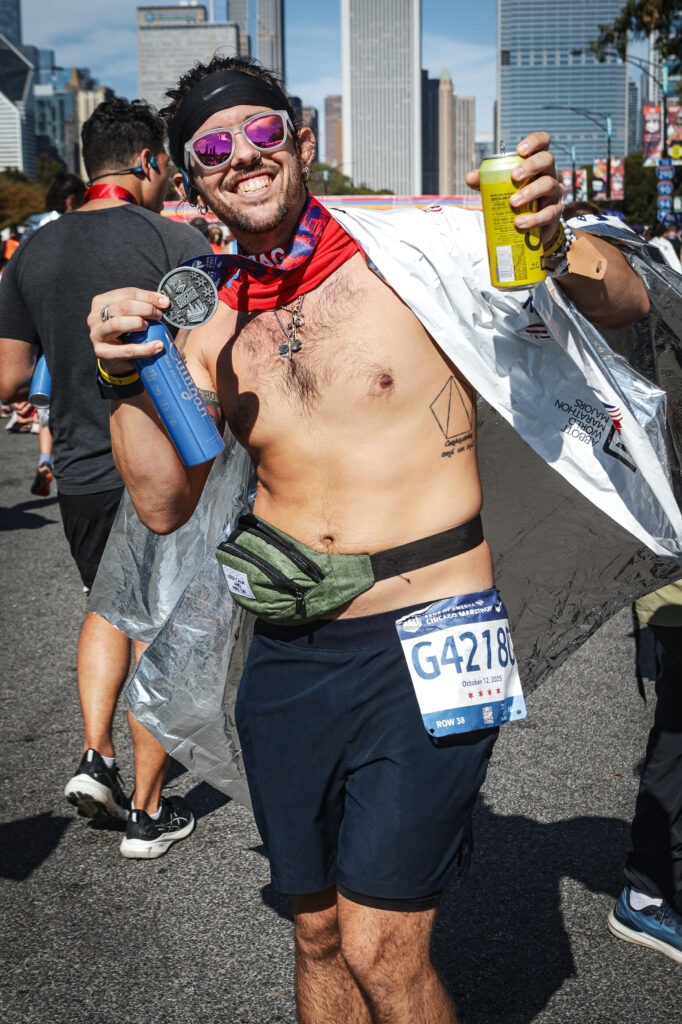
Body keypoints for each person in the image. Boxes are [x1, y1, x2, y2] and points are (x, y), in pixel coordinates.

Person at [88, 57, 651, 1022]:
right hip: (291, 652)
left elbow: (629, 301)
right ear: (191, 178)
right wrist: (123, 379)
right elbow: (159, 506)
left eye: (262, 133)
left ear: (303, 142)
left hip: (435, 629)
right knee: (313, 932)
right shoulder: (208, 319)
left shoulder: (420, 255)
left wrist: (557, 247)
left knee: (382, 946)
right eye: (214, 148)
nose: (244, 157)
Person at [0, 97, 209, 859]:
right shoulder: (177, 238)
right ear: (151, 162)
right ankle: (148, 814)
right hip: (165, 463)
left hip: (83, 467)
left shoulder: (32, 252)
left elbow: (10, 377)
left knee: (109, 606)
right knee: (164, 631)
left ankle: (98, 755)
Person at [607, 580, 682, 962]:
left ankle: (646, 894)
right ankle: (646, 896)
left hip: (671, 594)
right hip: (674, 591)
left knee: (676, 731)